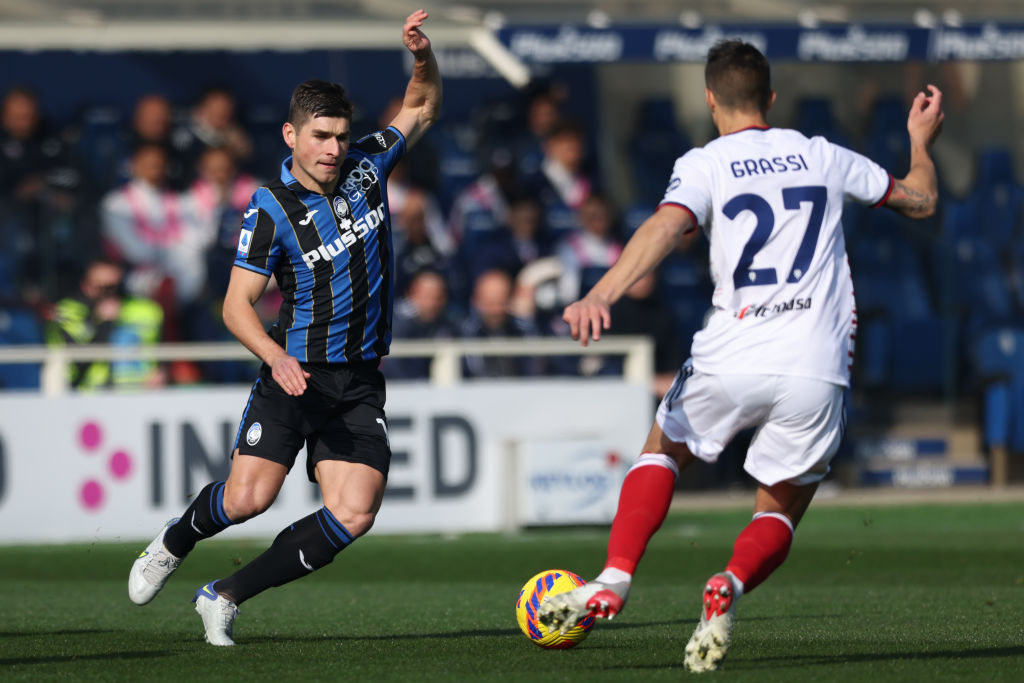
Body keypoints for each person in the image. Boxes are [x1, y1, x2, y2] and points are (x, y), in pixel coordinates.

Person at [537, 40, 943, 672]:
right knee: (781, 507)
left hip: (733, 353)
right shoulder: (822, 153)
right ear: (770, 98)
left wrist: (601, 292)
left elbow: (666, 226)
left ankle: (615, 576)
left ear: (709, 99)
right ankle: (730, 580)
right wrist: (919, 141)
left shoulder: (705, 162)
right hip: (814, 364)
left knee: (663, 447)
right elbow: (921, 200)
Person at [127, 9, 441, 646]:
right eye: (321, 136)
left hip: (358, 380)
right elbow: (236, 305)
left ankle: (224, 595)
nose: (333, 149)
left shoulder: (368, 167)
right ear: (291, 135)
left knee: (354, 512)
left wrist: (422, 58)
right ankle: (174, 541)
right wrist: (274, 357)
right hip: (294, 374)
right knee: (248, 500)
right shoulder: (270, 207)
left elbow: (421, 105)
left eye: (341, 136)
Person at [45, 258, 165, 390]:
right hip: (88, 394)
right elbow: (76, 364)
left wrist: (162, 371)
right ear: (85, 285)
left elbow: (164, 349)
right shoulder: (67, 312)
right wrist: (103, 322)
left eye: (113, 288)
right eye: (101, 288)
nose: (108, 294)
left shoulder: (147, 310)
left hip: (138, 392)